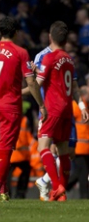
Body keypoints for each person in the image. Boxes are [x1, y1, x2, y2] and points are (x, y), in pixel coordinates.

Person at [0, 17, 46, 202]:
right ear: (16, 33)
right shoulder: (21, 52)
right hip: (10, 106)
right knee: (6, 149)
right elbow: (30, 82)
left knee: (0, 148)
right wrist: (41, 104)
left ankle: (4, 191)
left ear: (0, 32)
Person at [36, 21, 89, 201]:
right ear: (66, 41)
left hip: (52, 109)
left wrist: (29, 80)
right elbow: (74, 87)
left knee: (42, 147)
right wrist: (81, 106)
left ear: (50, 37)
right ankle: (61, 192)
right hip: (67, 110)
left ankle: (57, 187)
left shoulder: (48, 58)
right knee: (63, 150)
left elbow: (38, 84)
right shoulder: (69, 59)